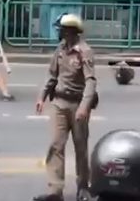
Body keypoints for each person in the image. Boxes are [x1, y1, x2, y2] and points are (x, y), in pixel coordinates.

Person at [33, 13, 97, 201]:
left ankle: (83, 186)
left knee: (80, 146)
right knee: (55, 145)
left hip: (77, 104)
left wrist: (84, 107)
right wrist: (42, 97)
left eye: (62, 29)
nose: (59, 32)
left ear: (70, 31)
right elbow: (52, 75)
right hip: (59, 103)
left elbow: (91, 82)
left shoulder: (84, 52)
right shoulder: (60, 49)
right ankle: (55, 190)